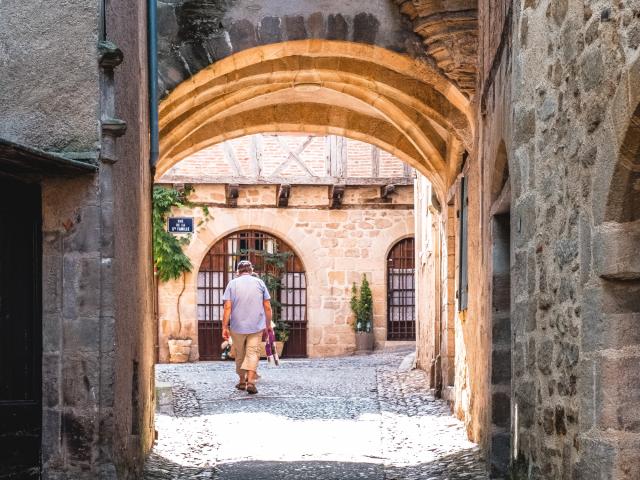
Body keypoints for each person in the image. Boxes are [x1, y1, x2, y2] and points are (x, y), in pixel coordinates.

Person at [221, 260, 273, 394]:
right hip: (256, 325)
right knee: (253, 352)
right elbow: (267, 306)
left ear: (238, 271)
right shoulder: (260, 283)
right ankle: (250, 382)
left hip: (237, 326)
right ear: (251, 270)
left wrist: (224, 327)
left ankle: (242, 380)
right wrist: (268, 325)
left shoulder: (232, 284)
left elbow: (227, 307)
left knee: (240, 353)